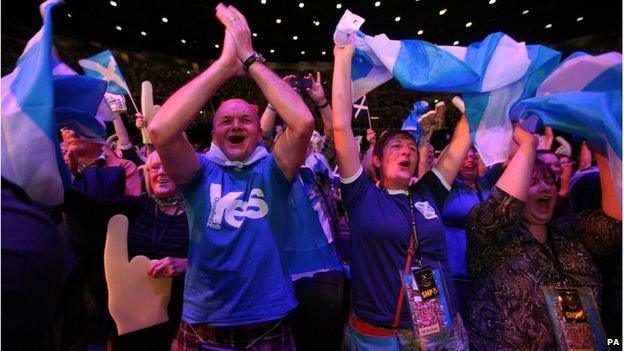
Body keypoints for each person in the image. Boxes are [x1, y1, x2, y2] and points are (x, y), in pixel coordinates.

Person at [147, 4, 314, 350]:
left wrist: (249, 57)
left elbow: (303, 123)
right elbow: (161, 129)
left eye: (246, 120)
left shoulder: (273, 170)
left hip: (269, 322)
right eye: (226, 120)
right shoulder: (199, 171)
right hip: (203, 324)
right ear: (214, 133)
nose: (236, 125)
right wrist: (224, 65)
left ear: (259, 133)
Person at [332, 36, 472, 350]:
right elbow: (341, 126)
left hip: (440, 329)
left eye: (411, 147)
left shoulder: (428, 194)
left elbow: (460, 145)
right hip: (380, 337)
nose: (406, 151)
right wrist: (342, 58)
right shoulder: (361, 196)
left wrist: (478, 103)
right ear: (377, 160)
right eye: (396, 146)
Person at [465, 125, 622, 350]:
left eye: (549, 180)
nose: (545, 187)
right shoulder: (489, 238)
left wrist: (603, 154)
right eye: (533, 181)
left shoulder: (569, 232)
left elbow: (614, 225)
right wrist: (528, 145)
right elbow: (502, 210)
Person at [62, 151, 189, 350]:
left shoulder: (196, 214)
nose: (161, 172)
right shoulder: (136, 206)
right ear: (146, 173)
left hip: (179, 321)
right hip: (132, 322)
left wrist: (185, 265)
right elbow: (88, 210)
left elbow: (217, 260)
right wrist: (57, 183)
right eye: (154, 167)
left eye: (168, 166)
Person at [441, 147, 494, 318]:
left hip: (484, 268)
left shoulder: (486, 184)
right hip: (456, 268)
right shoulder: (448, 186)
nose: (470, 160)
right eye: (465, 157)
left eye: (474, 156)